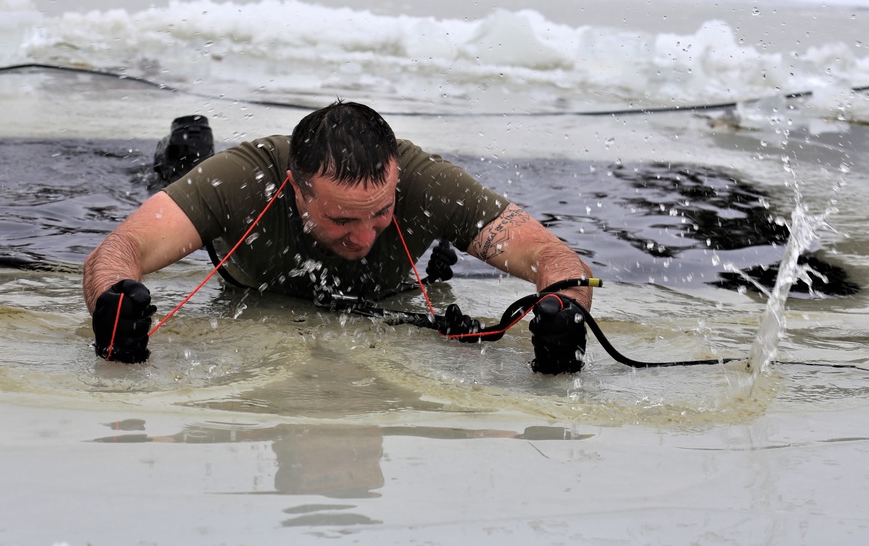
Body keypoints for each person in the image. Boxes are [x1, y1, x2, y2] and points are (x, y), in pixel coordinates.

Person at [84, 101, 593, 369]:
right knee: (176, 180)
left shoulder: (430, 183)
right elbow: (117, 251)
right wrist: (114, 301)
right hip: (230, 230)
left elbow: (553, 256)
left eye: (380, 213)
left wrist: (567, 310)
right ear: (296, 189)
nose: (365, 236)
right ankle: (185, 150)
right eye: (342, 219)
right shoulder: (243, 181)